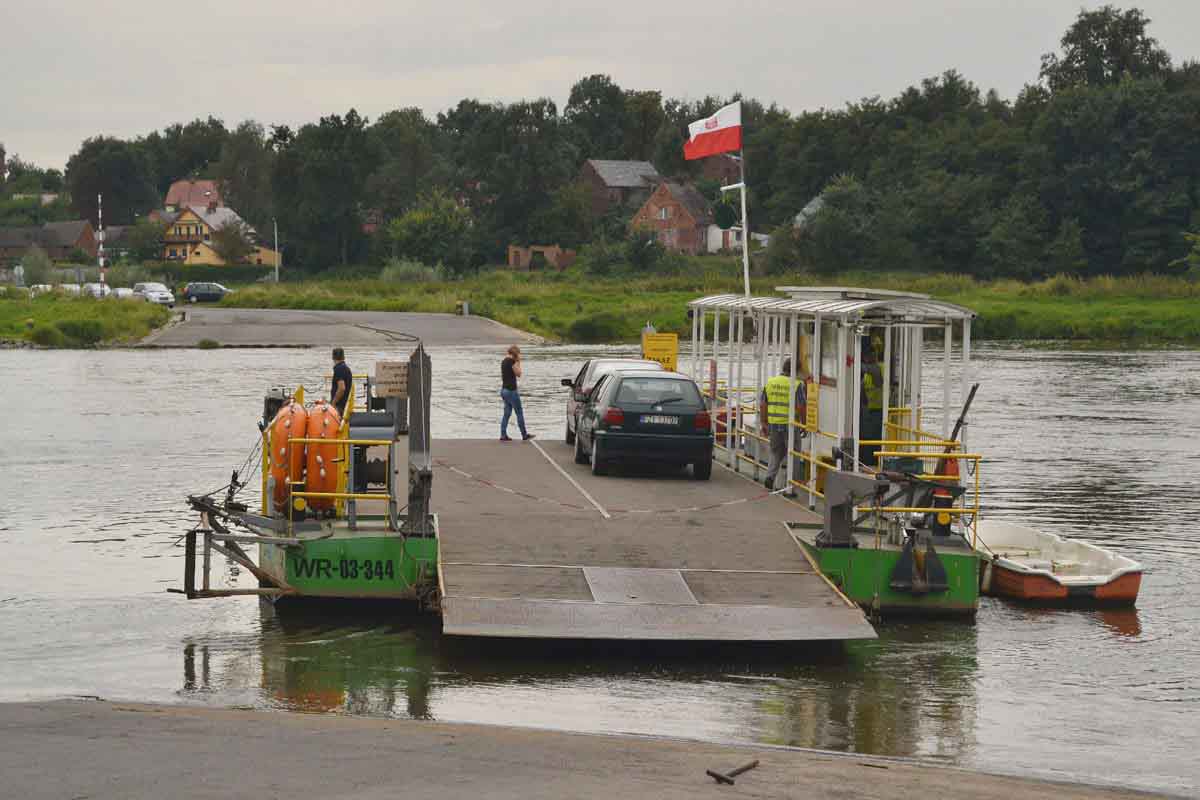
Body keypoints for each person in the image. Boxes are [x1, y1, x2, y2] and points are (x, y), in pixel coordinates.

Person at [760, 357, 806, 492]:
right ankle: (790, 486)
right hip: (790, 425)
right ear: (795, 370)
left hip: (774, 424)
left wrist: (764, 422)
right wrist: (804, 424)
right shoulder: (797, 384)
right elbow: (801, 406)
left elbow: (763, 405)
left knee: (775, 452)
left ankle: (770, 477)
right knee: (794, 454)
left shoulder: (770, 383)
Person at [500, 344, 534, 441]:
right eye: (519, 354)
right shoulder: (512, 361)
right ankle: (524, 434)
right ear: (515, 354)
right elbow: (518, 374)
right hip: (511, 391)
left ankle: (503, 434)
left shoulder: (504, 361)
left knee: (506, 413)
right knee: (519, 412)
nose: (519, 355)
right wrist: (518, 362)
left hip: (504, 390)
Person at [860, 337, 885, 466]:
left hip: (881, 411)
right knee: (869, 437)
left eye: (870, 356)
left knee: (875, 438)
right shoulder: (866, 375)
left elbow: (878, 379)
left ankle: (876, 460)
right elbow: (862, 389)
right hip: (870, 411)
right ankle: (870, 460)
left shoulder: (879, 368)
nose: (868, 359)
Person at [331, 347, 353, 417]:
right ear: (344, 357)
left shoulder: (339, 369)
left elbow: (341, 388)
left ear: (333, 357)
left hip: (339, 406)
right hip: (344, 404)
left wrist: (333, 403)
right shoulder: (346, 368)